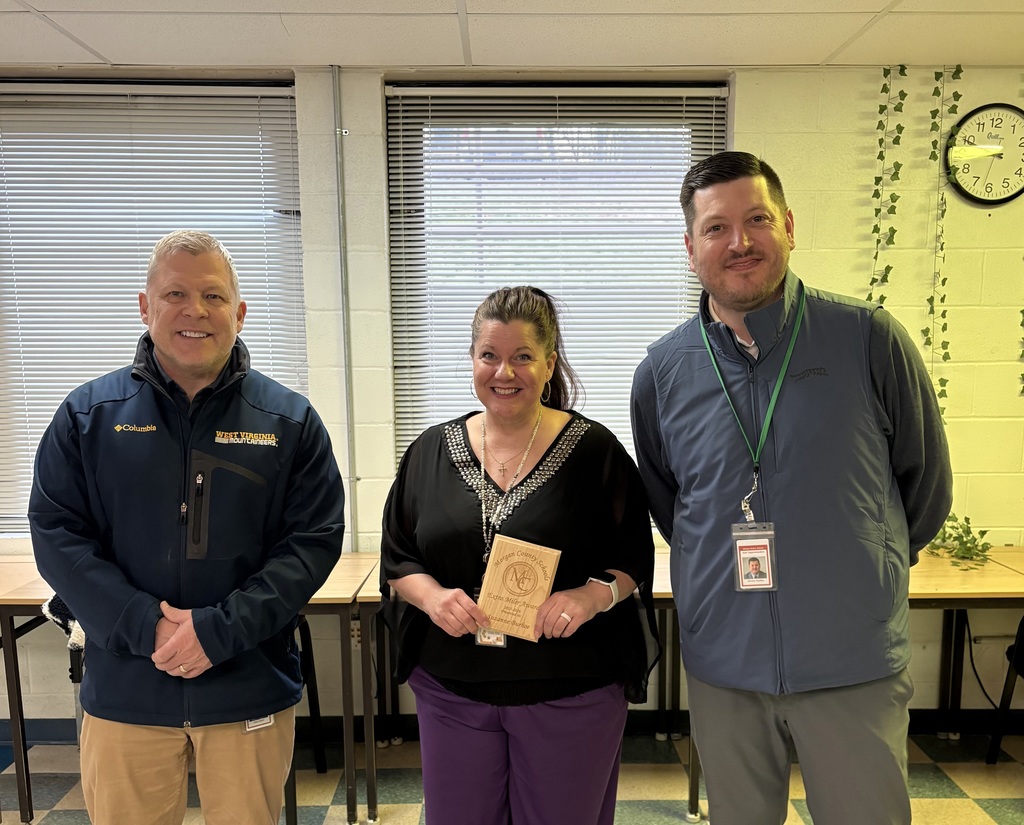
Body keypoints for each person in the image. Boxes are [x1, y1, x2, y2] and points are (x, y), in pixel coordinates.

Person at [630, 152, 952, 825]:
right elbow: (672, 506)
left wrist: (867, 568)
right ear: (691, 249)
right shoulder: (663, 370)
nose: (740, 242)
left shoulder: (866, 338)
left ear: (790, 226)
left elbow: (924, 491)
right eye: (716, 229)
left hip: (851, 658)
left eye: (757, 220)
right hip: (725, 665)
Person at [28, 230, 346, 825]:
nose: (195, 311)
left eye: (213, 296)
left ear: (240, 312)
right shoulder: (87, 418)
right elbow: (56, 534)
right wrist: (145, 626)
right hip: (127, 689)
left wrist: (218, 632)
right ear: (145, 306)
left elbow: (311, 544)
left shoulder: (289, 422)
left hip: (246, 684)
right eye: (175, 293)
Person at [380, 286, 659, 825]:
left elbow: (632, 557)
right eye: (489, 355)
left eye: (522, 357)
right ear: (472, 360)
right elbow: (399, 558)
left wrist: (588, 597)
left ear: (549, 363)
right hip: (454, 691)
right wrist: (434, 598)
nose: (503, 372)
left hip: (569, 691)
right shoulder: (430, 451)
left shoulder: (595, 452)